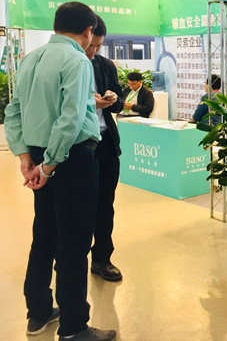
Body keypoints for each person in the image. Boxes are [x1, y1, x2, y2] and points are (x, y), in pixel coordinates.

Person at [4, 2, 117, 341]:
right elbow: (70, 121)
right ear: (88, 31)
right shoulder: (77, 60)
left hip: (39, 155)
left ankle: (38, 313)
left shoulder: (30, 59)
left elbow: (13, 111)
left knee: (44, 236)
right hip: (71, 160)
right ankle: (74, 326)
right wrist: (50, 166)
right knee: (74, 244)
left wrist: (26, 157)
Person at [84, 15, 124, 282]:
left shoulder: (105, 65)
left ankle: (101, 259)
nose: (94, 51)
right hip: (78, 144)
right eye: (91, 45)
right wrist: (90, 102)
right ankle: (71, 258)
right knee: (78, 205)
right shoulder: (69, 65)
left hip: (106, 142)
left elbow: (119, 102)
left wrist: (113, 98)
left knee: (105, 204)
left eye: (99, 46)